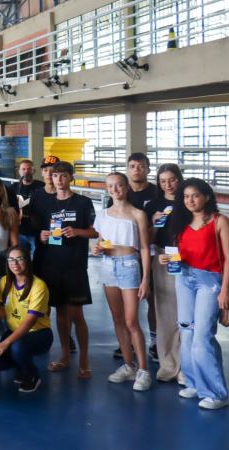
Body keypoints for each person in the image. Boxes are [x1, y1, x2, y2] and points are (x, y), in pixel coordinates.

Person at [161, 178, 229, 409]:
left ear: (207, 197)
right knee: (187, 333)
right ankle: (194, 383)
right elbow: (178, 254)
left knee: (201, 337)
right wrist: (166, 259)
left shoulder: (220, 221)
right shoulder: (180, 221)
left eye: (195, 196)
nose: (190, 200)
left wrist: (225, 292)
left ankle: (216, 394)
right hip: (184, 279)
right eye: (186, 196)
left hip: (210, 281)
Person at [91, 172, 153, 391]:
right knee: (117, 318)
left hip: (129, 266)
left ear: (127, 187)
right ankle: (129, 366)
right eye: (110, 186)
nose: (114, 189)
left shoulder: (138, 214)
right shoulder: (103, 214)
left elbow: (144, 248)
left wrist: (145, 279)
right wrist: (96, 248)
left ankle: (144, 370)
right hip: (108, 266)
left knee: (131, 321)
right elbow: (100, 242)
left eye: (118, 185)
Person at [37, 161, 97, 379]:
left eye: (63, 175)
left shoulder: (83, 202)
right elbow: (43, 234)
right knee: (60, 313)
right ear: (51, 178)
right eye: (55, 176)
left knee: (76, 313)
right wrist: (42, 237)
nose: (59, 179)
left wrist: (78, 231)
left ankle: (84, 359)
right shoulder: (46, 205)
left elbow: (94, 232)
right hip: (53, 264)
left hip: (75, 265)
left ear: (71, 178)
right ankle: (65, 355)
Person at [106, 152, 158, 362]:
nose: (137, 170)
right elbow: (108, 234)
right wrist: (103, 248)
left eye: (141, 166)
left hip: (152, 253)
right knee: (124, 313)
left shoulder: (156, 192)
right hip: (124, 259)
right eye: (133, 166)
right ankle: (127, 345)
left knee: (152, 298)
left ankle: (154, 342)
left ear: (147, 169)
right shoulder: (119, 196)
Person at [0, 245, 53, 393]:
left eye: (19, 259)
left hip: (39, 333)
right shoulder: (4, 282)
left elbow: (30, 322)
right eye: (10, 260)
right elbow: (1, 314)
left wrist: (6, 342)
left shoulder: (38, 286)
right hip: (15, 332)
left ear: (28, 261)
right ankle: (21, 367)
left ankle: (32, 375)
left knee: (16, 348)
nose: (14, 264)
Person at [144, 164, 184, 383]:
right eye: (162, 181)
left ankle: (186, 368)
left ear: (180, 179)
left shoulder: (188, 200)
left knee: (187, 316)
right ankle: (168, 366)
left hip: (188, 259)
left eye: (172, 180)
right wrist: (154, 224)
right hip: (163, 258)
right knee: (166, 313)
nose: (168, 185)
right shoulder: (154, 205)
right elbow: (148, 240)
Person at [12, 160, 46, 256]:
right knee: (22, 258)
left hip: (36, 232)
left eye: (29, 169)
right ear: (19, 172)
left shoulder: (42, 187)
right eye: (23, 169)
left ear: (34, 171)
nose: (26, 171)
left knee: (38, 258)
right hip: (19, 232)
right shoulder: (13, 188)